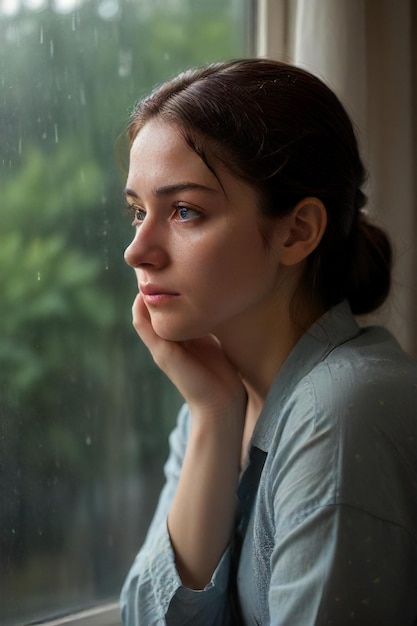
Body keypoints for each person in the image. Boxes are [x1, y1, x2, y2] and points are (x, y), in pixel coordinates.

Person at [119, 58, 417, 625]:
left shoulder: (342, 410)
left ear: (298, 230)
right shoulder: (217, 393)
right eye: (137, 212)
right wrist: (213, 416)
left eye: (184, 211)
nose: (137, 251)